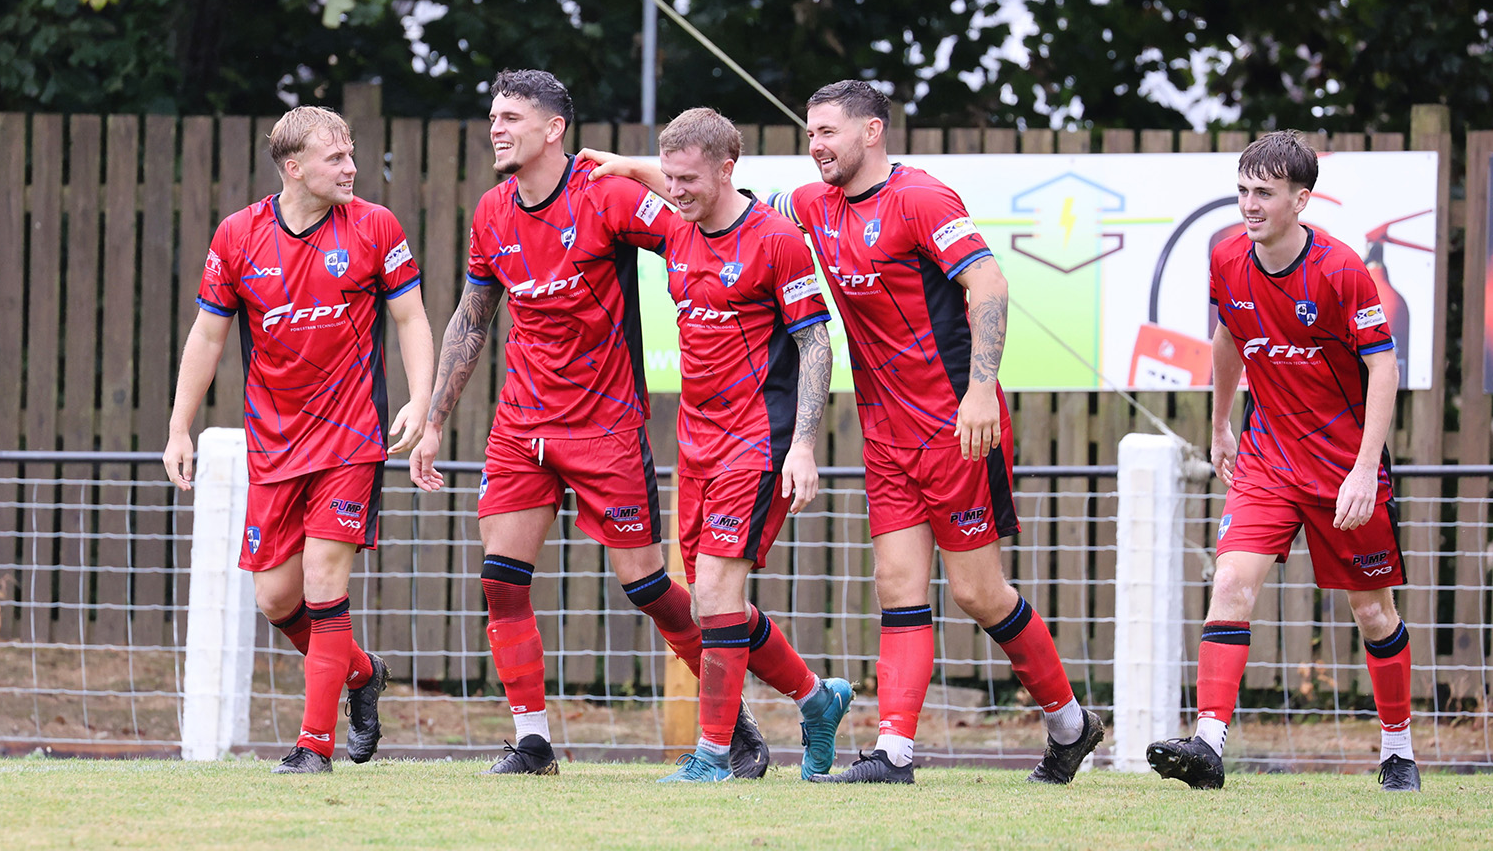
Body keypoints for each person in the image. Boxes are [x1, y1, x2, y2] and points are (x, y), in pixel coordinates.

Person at [584, 80, 1102, 785]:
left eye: (828, 132)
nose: (816, 146)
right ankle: (893, 754)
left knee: (978, 593)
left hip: (954, 427)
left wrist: (982, 389)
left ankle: (1069, 724)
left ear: (872, 131)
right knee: (897, 586)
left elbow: (989, 282)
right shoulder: (809, 203)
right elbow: (718, 191)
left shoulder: (922, 199)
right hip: (885, 434)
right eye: (810, 133)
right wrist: (629, 165)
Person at [408, 71, 767, 777]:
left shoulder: (605, 193)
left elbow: (704, 222)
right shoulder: (492, 211)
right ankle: (532, 742)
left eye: (511, 117)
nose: (496, 129)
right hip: (522, 428)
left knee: (648, 589)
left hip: (606, 426)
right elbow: (472, 319)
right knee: (501, 580)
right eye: (493, 117)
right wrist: (433, 420)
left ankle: (732, 724)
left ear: (553, 129)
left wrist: (639, 170)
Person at [163, 106, 434, 774]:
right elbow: (208, 335)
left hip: (351, 438)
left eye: (351, 154)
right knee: (276, 599)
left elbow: (410, 318)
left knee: (322, 581)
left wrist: (421, 399)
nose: (351, 167)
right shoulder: (238, 235)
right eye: (335, 157)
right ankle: (362, 673)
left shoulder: (374, 226)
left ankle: (313, 746)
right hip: (274, 444)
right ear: (294, 167)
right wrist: (178, 426)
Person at [1147, 130, 1419, 793]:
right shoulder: (1226, 257)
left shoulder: (1340, 269)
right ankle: (1208, 746)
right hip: (1267, 461)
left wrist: (1364, 468)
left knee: (1373, 614)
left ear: (1301, 199)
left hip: (1342, 467)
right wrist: (1219, 426)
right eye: (1242, 190)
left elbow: (1384, 369)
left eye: (1264, 193)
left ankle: (1398, 752)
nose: (1249, 204)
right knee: (1230, 584)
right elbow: (1227, 340)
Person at [612, 108, 855, 783]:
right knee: (714, 604)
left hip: (758, 441)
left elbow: (815, 343)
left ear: (727, 171)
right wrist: (621, 165)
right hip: (696, 444)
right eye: (669, 178)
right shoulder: (676, 228)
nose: (675, 190)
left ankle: (714, 757)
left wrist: (803, 446)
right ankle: (817, 700)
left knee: (718, 591)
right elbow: (655, 182)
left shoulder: (776, 239)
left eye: (688, 179)